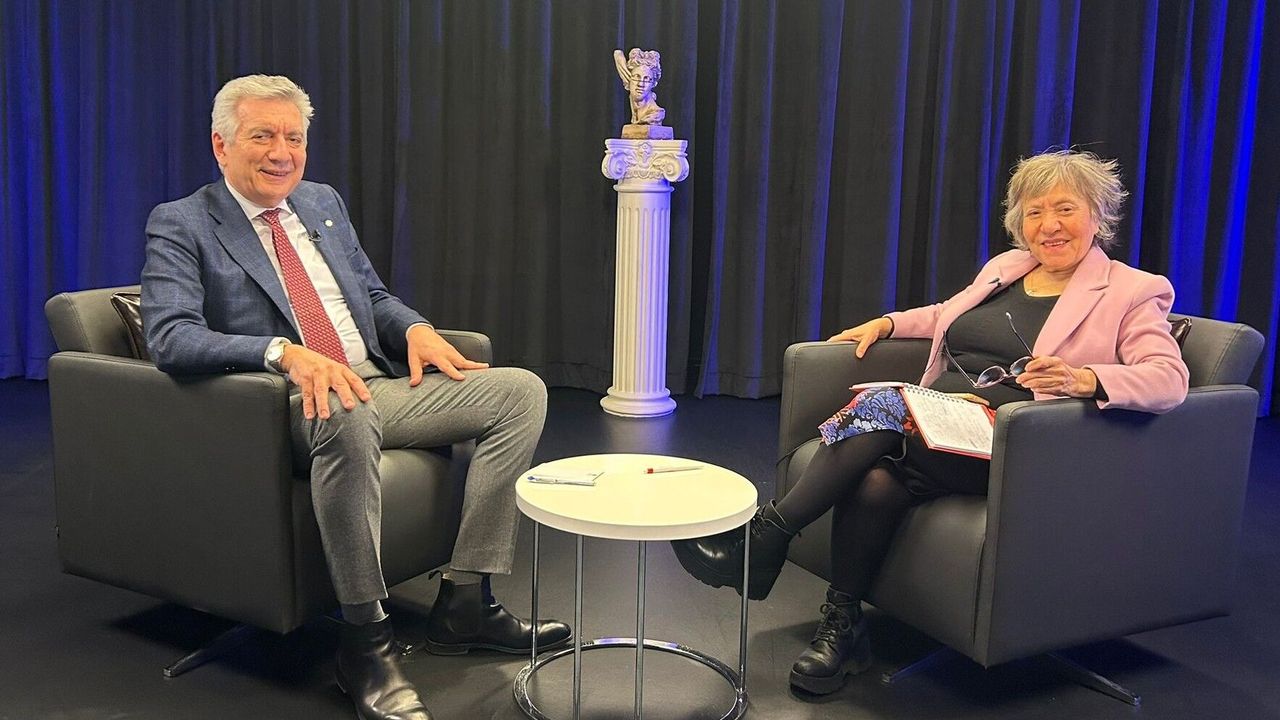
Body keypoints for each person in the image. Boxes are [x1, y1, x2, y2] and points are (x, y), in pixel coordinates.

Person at [672, 149, 1189, 696]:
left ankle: (762, 541)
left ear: (1098, 214)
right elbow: (947, 315)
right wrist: (889, 323)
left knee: (885, 407)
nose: (1050, 225)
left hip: (1018, 442)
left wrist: (1084, 378)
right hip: (941, 426)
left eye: (1066, 209)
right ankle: (843, 627)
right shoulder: (1007, 269)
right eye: (1035, 212)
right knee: (876, 479)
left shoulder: (1133, 290)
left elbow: (1168, 378)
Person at [141, 75, 570, 720]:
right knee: (343, 407)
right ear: (221, 145)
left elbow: (370, 296)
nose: (281, 152)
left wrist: (415, 328)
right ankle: (365, 641)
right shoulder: (183, 222)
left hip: (374, 384)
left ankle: (466, 601)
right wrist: (281, 352)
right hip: (281, 403)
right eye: (262, 136)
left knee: (519, 392)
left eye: (294, 138)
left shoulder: (321, 202)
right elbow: (171, 336)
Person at [613, 48, 666, 125]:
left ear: (654, 83)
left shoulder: (655, 115)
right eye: (636, 77)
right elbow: (617, 54)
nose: (640, 84)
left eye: (646, 79)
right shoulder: (635, 109)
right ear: (628, 79)